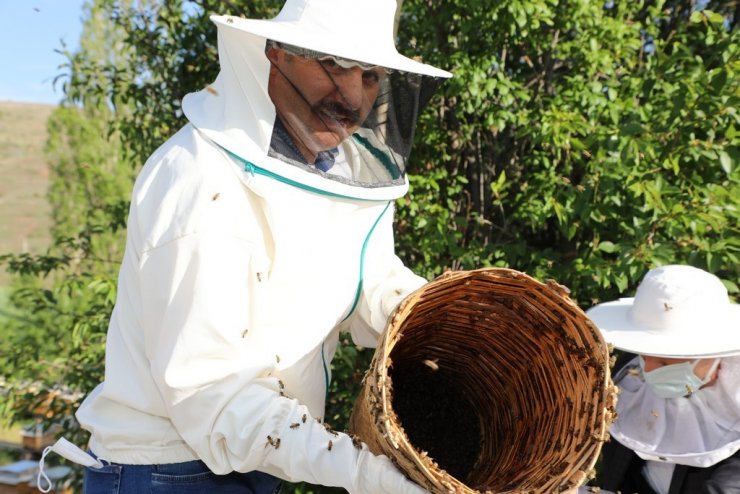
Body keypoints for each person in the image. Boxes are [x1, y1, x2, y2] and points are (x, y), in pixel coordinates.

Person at [38, 1, 452, 493]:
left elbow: (370, 280)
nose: (351, 95)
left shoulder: (334, 175)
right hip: (167, 471)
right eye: (333, 65)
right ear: (274, 55)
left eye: (368, 75)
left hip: (256, 458)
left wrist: (443, 319)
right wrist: (365, 473)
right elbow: (215, 397)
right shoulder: (201, 182)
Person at [585, 265, 740, 494]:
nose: (648, 370)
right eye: (645, 355)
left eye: (665, 362)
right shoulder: (626, 371)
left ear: (709, 351)